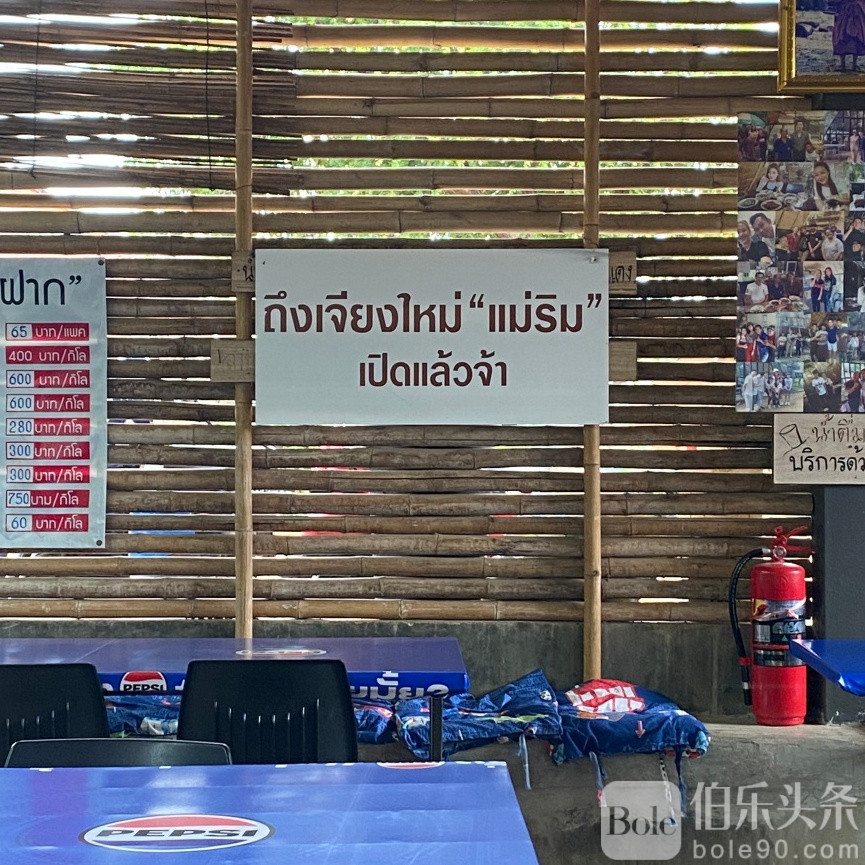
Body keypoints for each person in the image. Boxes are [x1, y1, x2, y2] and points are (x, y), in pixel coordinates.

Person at [832, 0, 865, 72]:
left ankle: (852, 65)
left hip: (856, 10)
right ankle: (845, 65)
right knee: (842, 35)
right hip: (845, 10)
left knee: (855, 36)